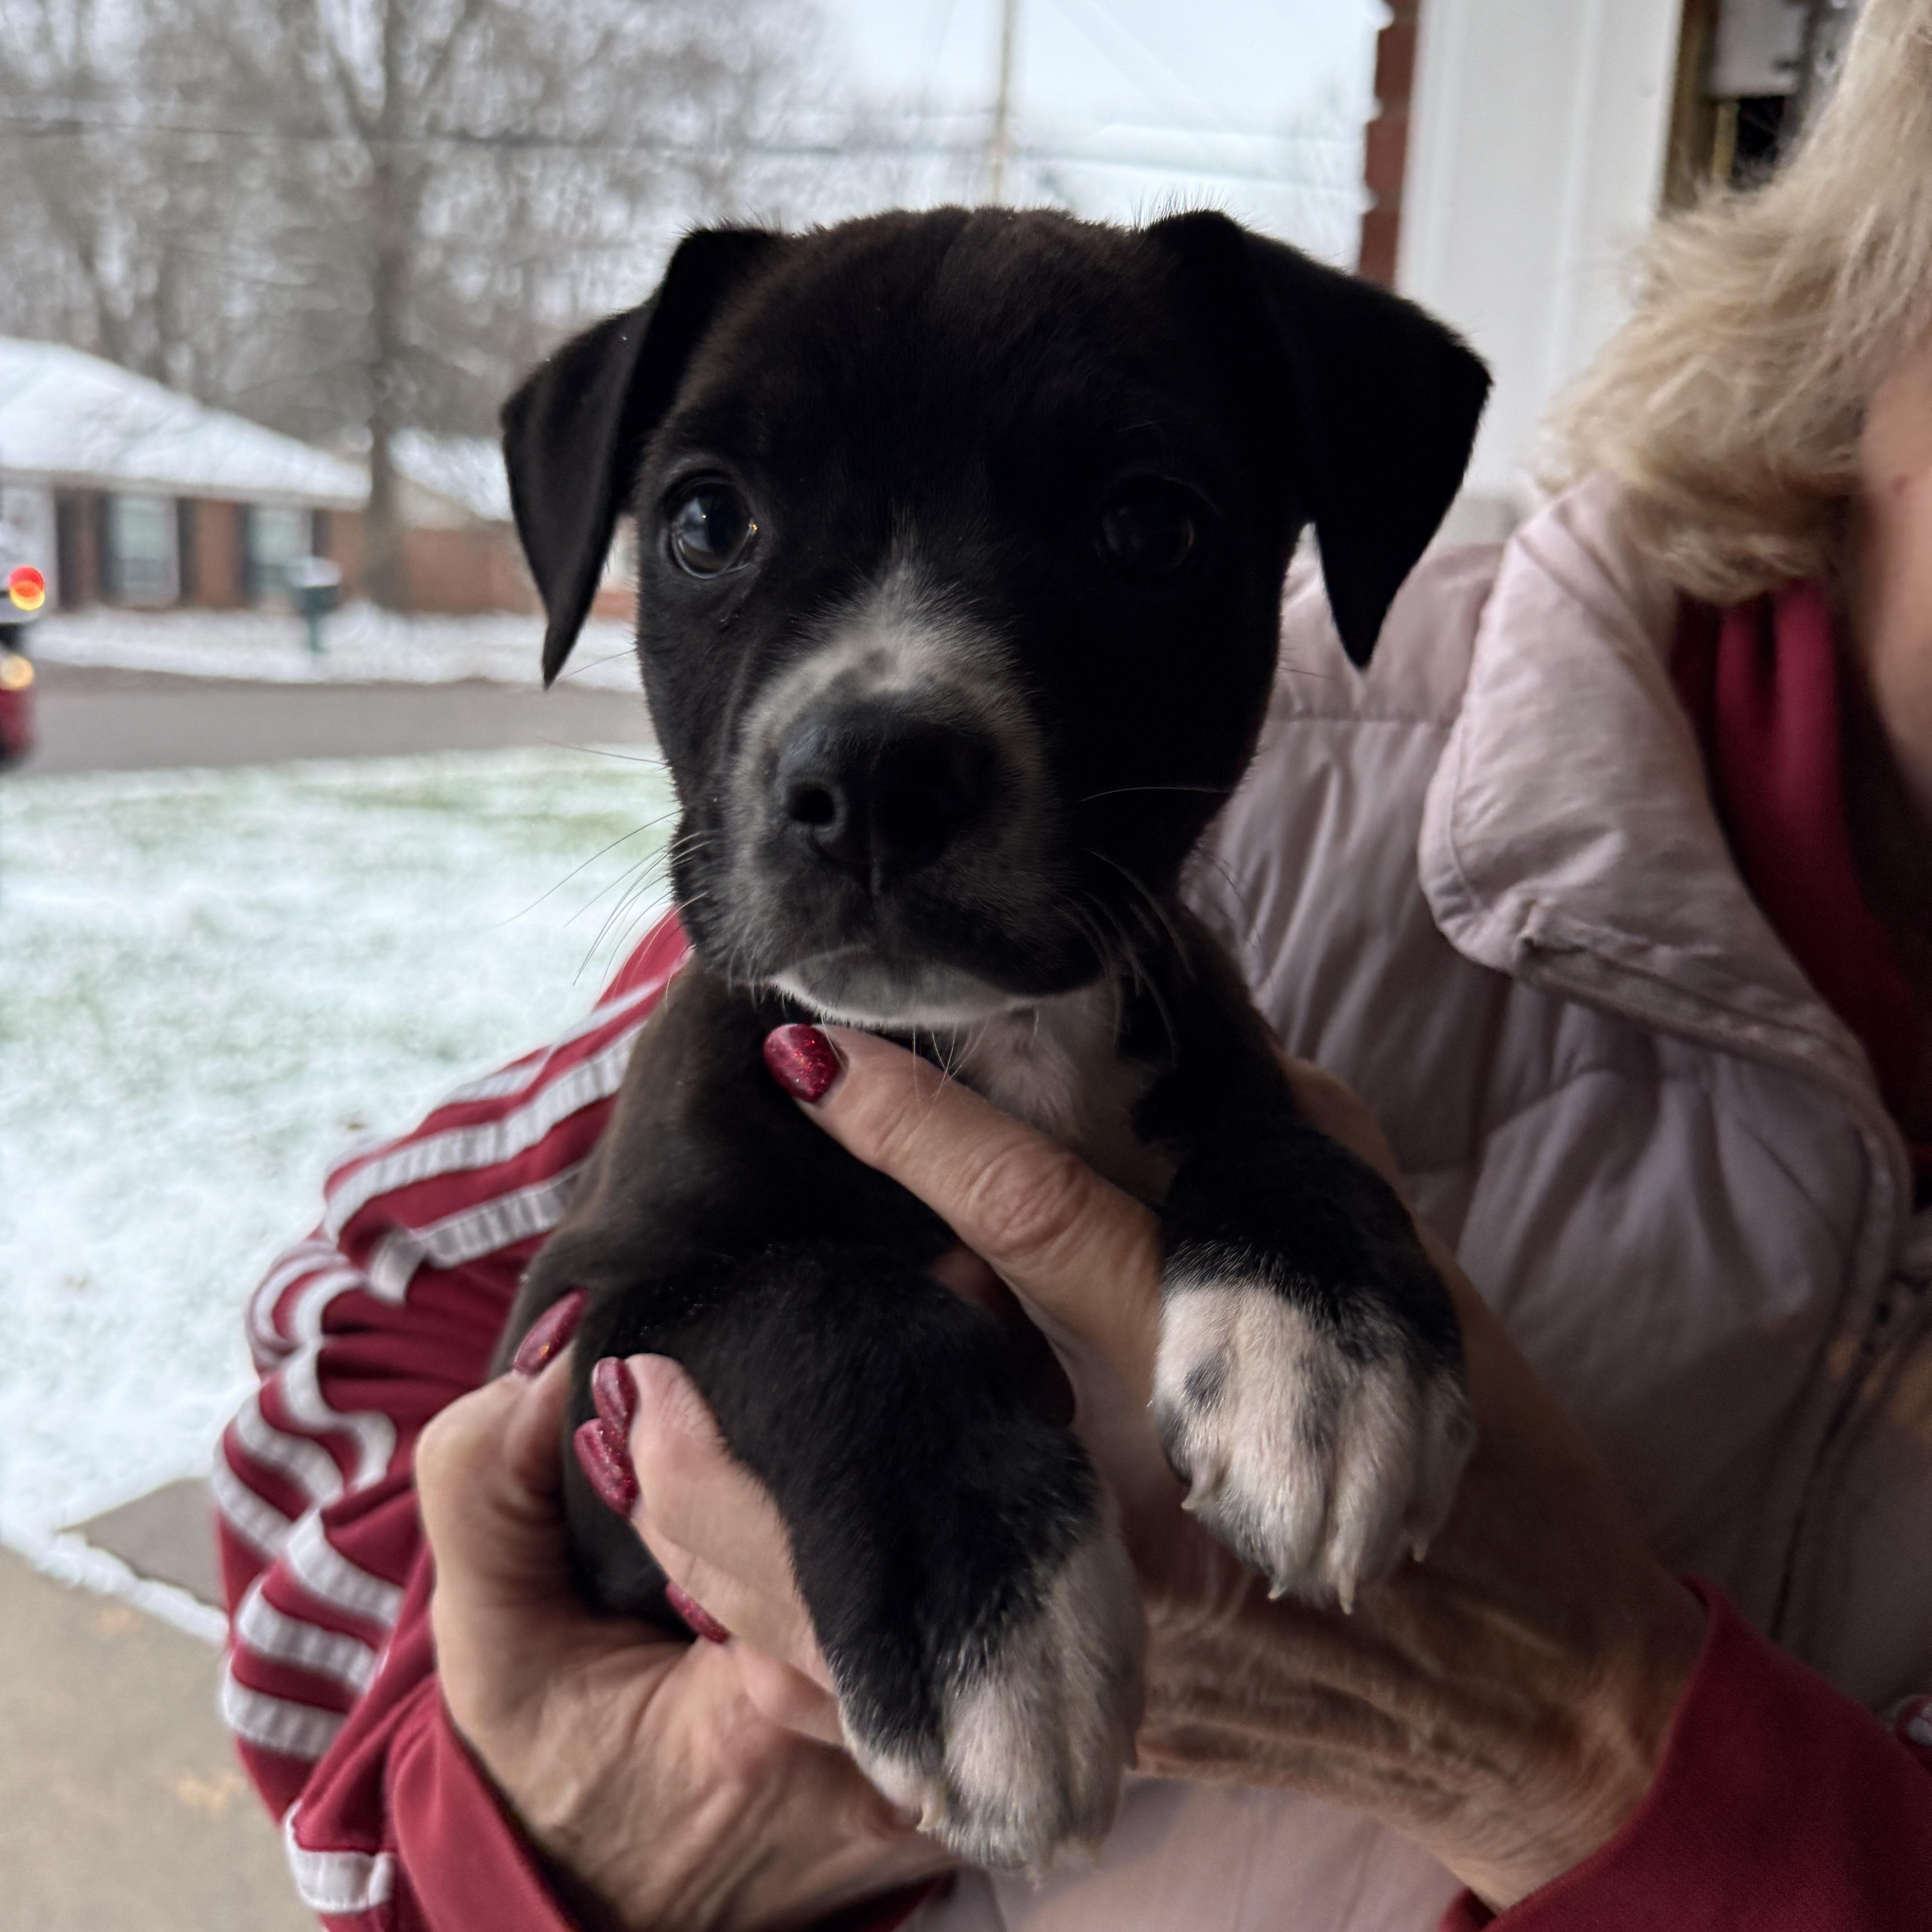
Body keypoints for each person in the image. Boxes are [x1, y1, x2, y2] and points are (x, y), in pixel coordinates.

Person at [216, 2, 1932, 1925]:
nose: (877, 701)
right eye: (715, 522)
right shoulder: (756, 1052)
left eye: (1133, 523)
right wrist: (556, 1834)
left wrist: (1580, 1732)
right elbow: (467, 1346)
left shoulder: (1204, 979)